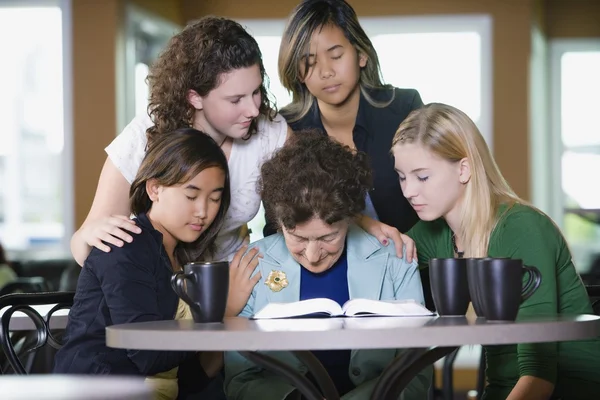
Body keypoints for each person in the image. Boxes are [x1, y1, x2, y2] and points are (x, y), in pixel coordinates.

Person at [71, 15, 409, 318]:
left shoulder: (269, 131)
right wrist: (88, 236)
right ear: (195, 98)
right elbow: (87, 243)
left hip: (230, 287)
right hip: (153, 290)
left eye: (256, 92)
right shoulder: (147, 134)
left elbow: (315, 193)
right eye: (235, 100)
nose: (252, 109)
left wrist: (365, 223)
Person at [392, 103, 600, 400]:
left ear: (463, 169)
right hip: (502, 390)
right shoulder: (436, 232)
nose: (408, 191)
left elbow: (539, 376)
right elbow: (378, 257)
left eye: (422, 177)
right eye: (401, 176)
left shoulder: (521, 228)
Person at [224, 132, 431, 400]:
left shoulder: (395, 257)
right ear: (279, 222)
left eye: (327, 238)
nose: (312, 255)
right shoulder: (252, 263)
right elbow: (240, 380)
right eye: (297, 237)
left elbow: (415, 374)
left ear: (350, 218)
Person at [54, 129, 239, 399]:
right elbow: (146, 352)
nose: (203, 211)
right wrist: (215, 324)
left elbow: (180, 377)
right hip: (95, 391)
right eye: (191, 195)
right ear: (155, 189)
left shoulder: (185, 257)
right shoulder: (125, 244)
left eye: (214, 198)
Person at [274, 0, 422, 255]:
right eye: (309, 62)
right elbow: (278, 222)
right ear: (298, 72)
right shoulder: (286, 128)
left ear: (361, 54)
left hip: (412, 262)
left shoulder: (405, 108)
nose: (326, 72)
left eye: (336, 56)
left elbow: (439, 199)